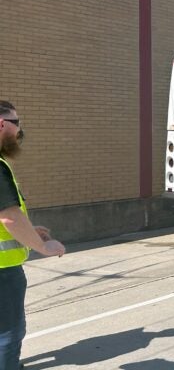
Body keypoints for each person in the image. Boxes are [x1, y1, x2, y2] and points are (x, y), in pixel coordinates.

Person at [0, 100, 66, 369]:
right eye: (17, 123)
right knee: (9, 332)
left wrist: (31, 230)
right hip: (3, 270)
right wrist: (42, 246)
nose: (19, 131)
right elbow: (9, 217)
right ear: (2, 124)